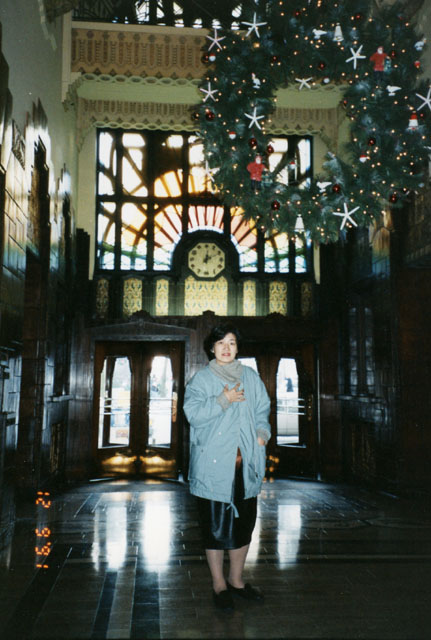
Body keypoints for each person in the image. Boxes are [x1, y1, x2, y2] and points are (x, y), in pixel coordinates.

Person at [183, 324, 271, 610]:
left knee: (243, 525)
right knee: (215, 528)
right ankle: (219, 584)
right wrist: (224, 400)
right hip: (213, 468)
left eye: (231, 342)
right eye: (220, 343)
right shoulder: (201, 379)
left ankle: (236, 580)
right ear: (212, 348)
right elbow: (193, 414)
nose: (226, 348)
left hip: (245, 466)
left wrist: (262, 433)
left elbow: (262, 408)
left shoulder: (250, 377)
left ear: (237, 348)